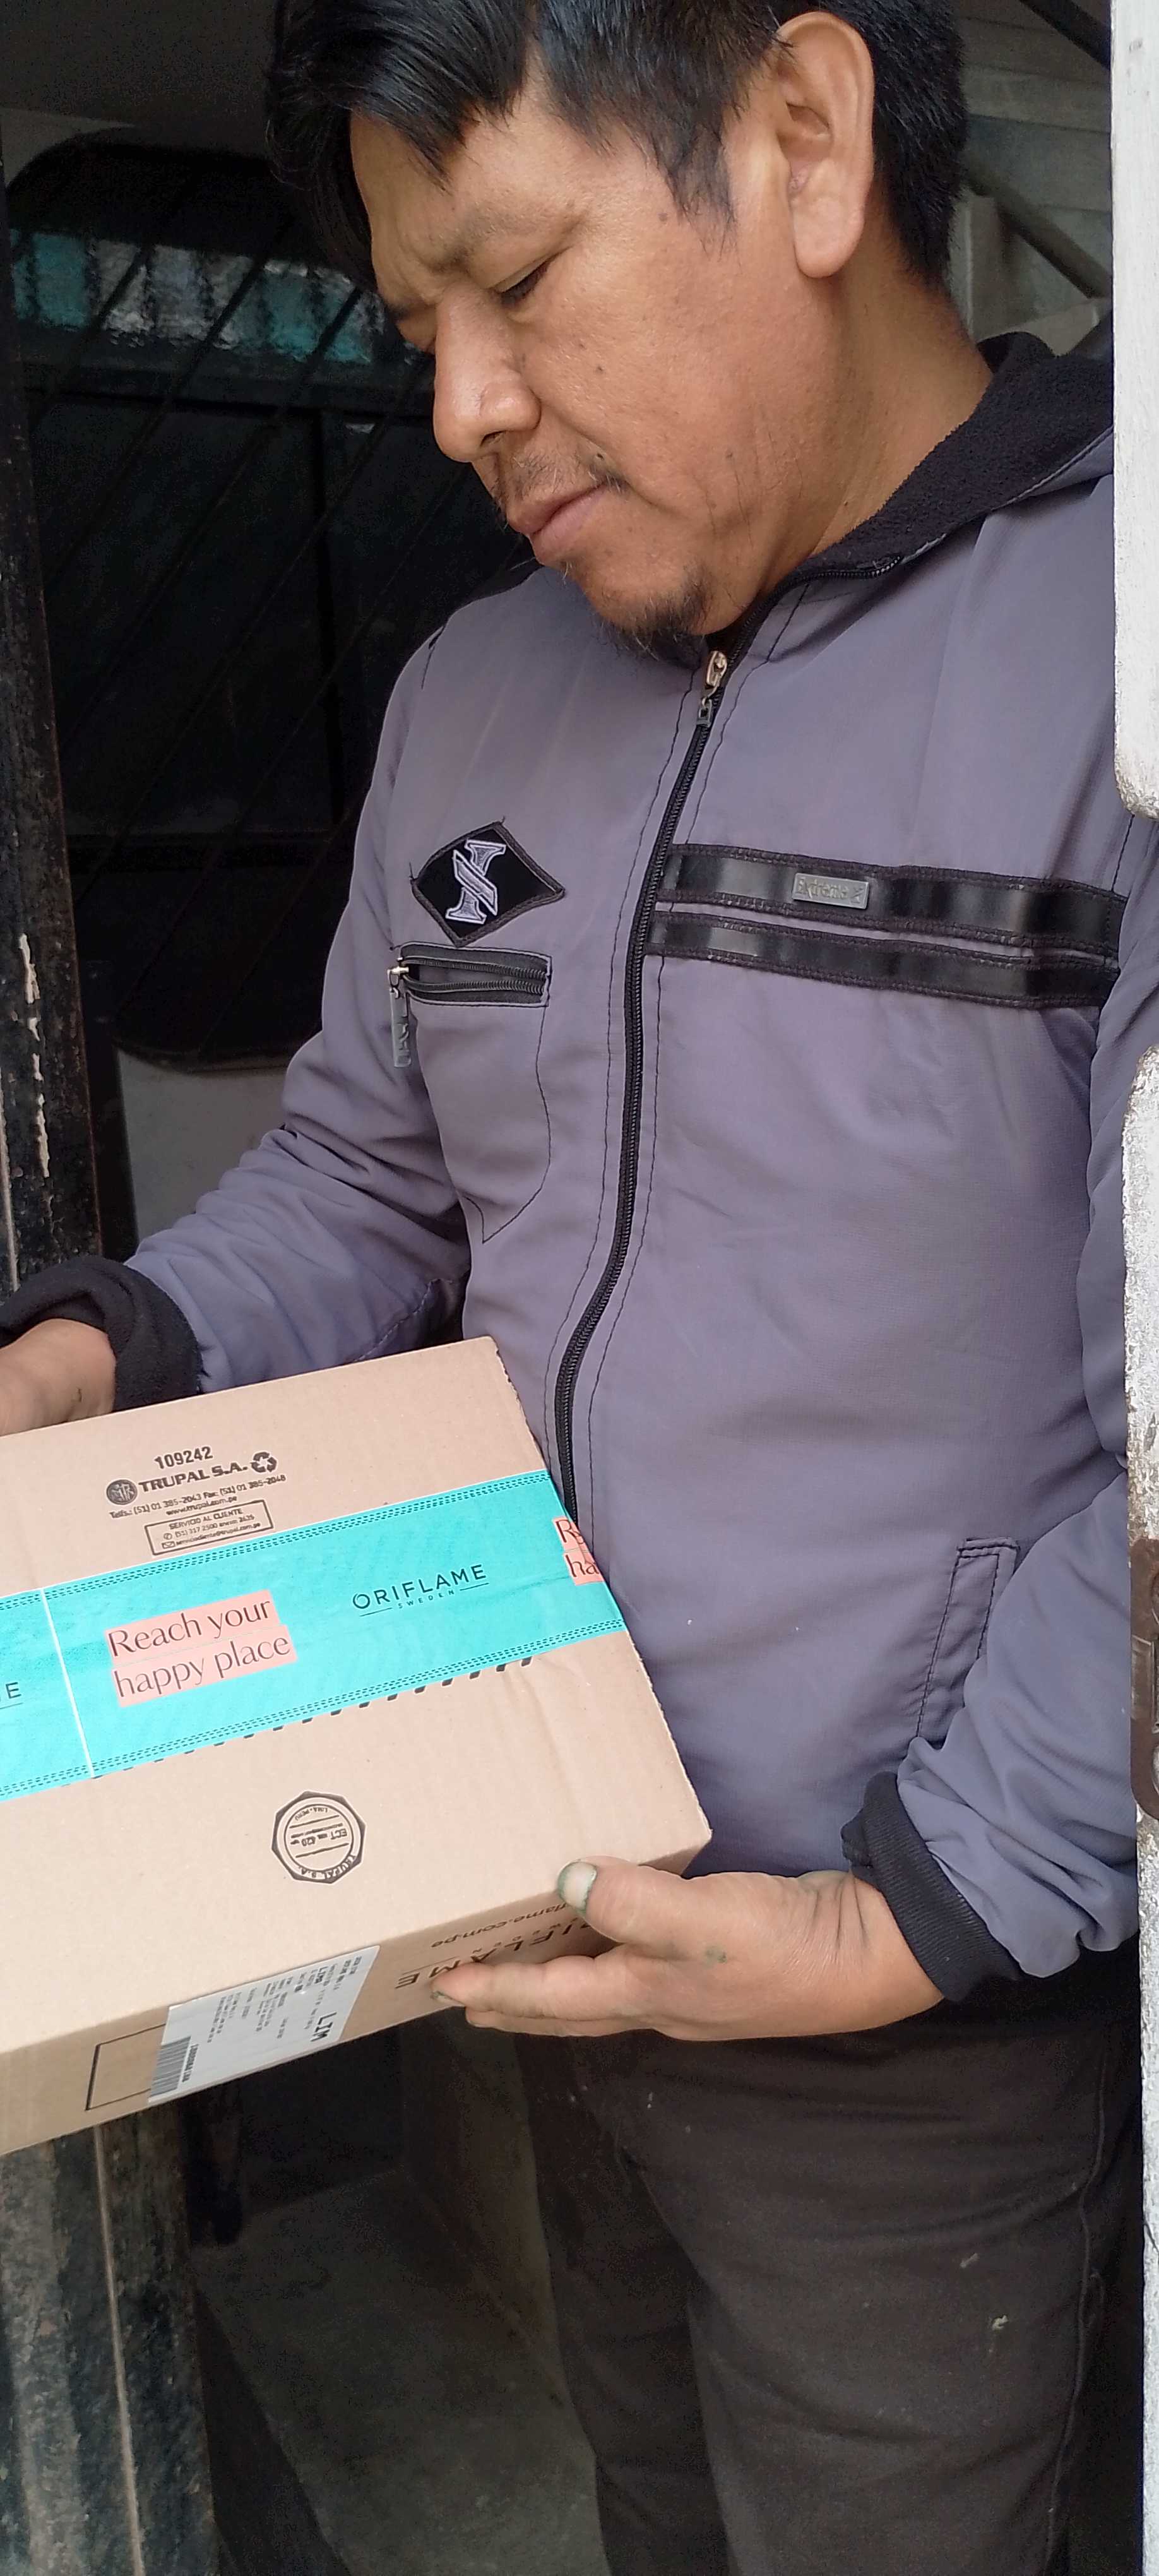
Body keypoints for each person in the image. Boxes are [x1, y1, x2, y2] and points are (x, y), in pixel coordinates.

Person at [0, 5, 1149, 2568]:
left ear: (806, 139)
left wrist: (913, 1911)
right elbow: (361, 1177)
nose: (459, 411)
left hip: (913, 2001)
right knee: (655, 2503)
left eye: (514, 283)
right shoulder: (475, 692)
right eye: (419, 329)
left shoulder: (1128, 661)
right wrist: (99, 1353)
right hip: (528, 1901)